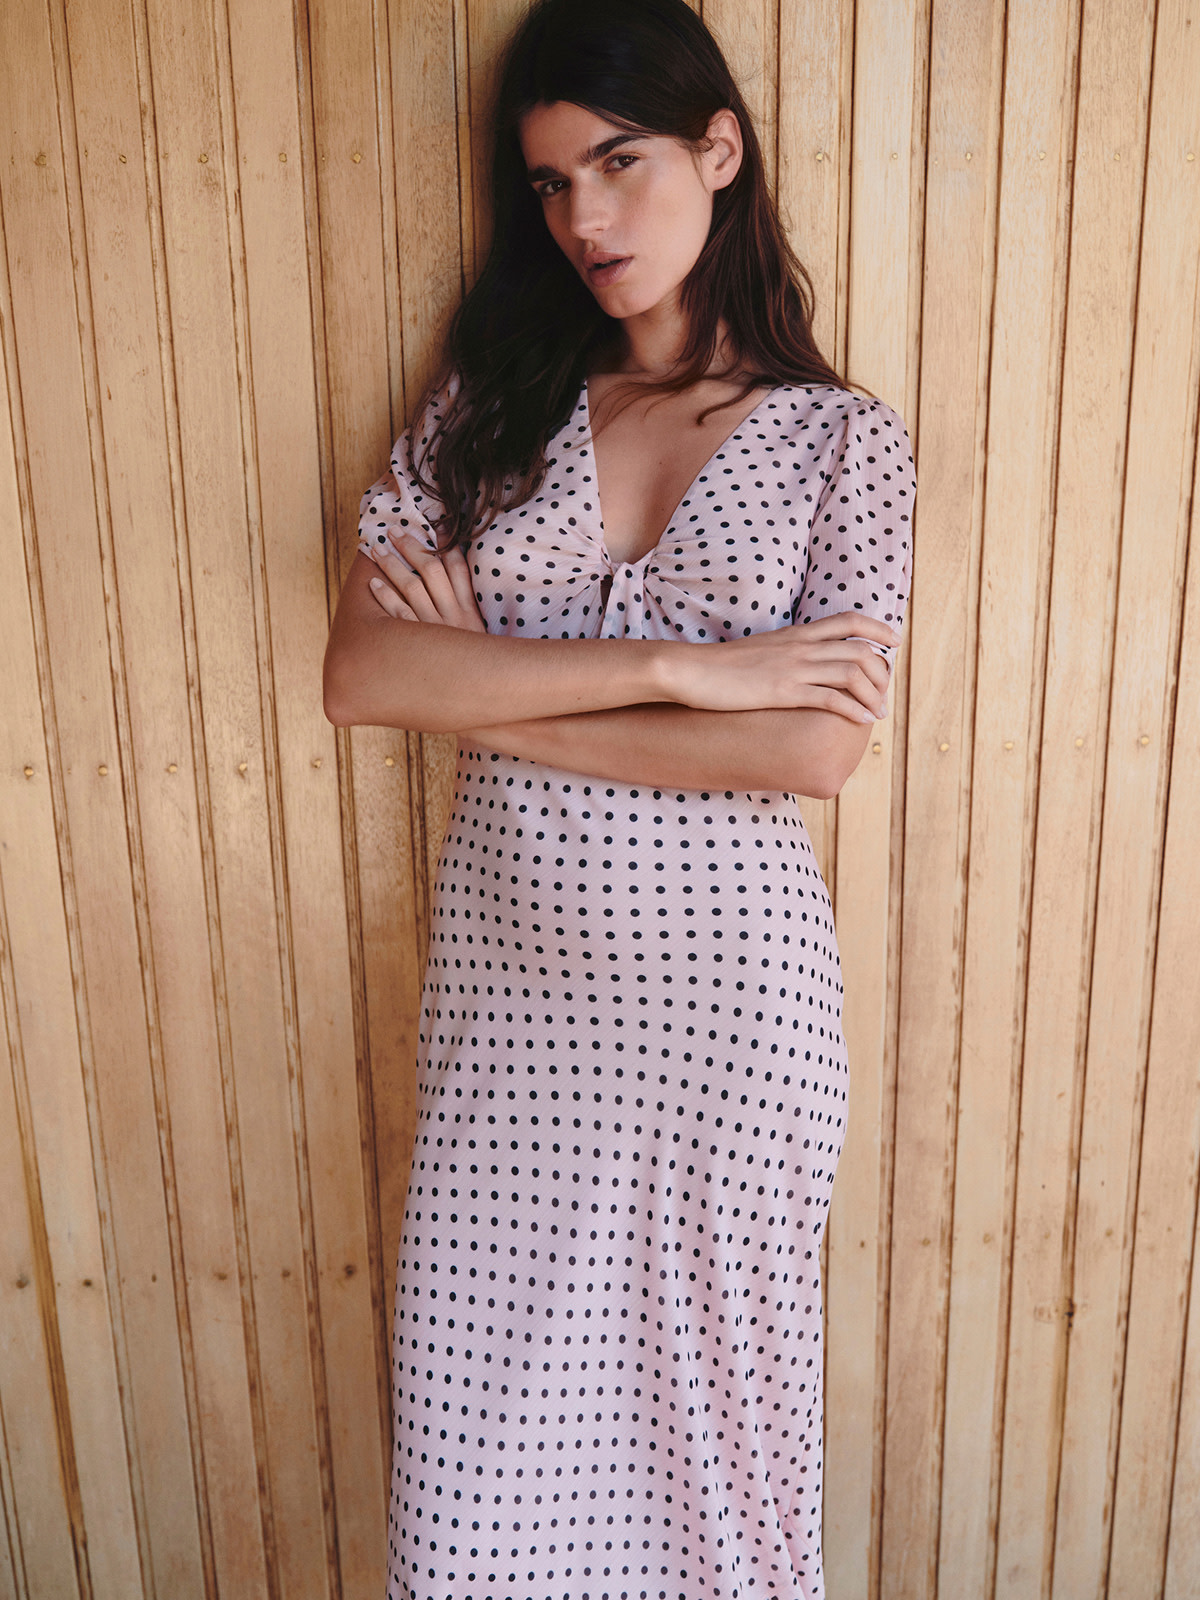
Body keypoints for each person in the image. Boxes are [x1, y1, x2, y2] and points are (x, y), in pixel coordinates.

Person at [323, 0, 913, 1594]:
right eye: (547, 183)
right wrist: (696, 672)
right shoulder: (491, 408)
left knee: (712, 1469)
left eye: (619, 161)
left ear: (720, 152)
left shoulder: (845, 444)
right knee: (473, 1473)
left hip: (731, 1019)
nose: (583, 216)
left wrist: (498, 698)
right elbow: (367, 676)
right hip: (512, 1014)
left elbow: (811, 755)